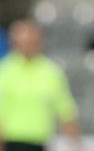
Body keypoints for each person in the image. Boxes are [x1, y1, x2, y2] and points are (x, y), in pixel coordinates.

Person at [0, 20, 81, 151]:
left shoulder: (51, 71)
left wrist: (76, 145)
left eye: (32, 42)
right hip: (9, 142)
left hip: (39, 142)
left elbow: (66, 111)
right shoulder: (5, 70)